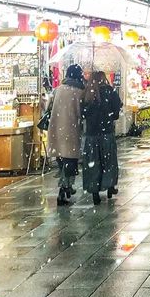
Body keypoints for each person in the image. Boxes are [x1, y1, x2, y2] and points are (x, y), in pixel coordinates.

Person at [81, 71, 122, 205]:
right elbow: (116, 112)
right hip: (106, 133)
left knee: (93, 162)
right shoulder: (110, 92)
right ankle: (110, 186)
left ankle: (95, 192)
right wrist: (109, 116)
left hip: (92, 134)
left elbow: (83, 113)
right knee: (108, 161)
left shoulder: (86, 94)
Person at [47, 64, 85, 206]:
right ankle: (64, 188)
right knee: (71, 161)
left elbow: (48, 108)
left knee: (62, 159)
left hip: (56, 128)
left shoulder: (58, 89)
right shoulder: (80, 91)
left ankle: (66, 186)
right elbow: (82, 112)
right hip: (71, 130)